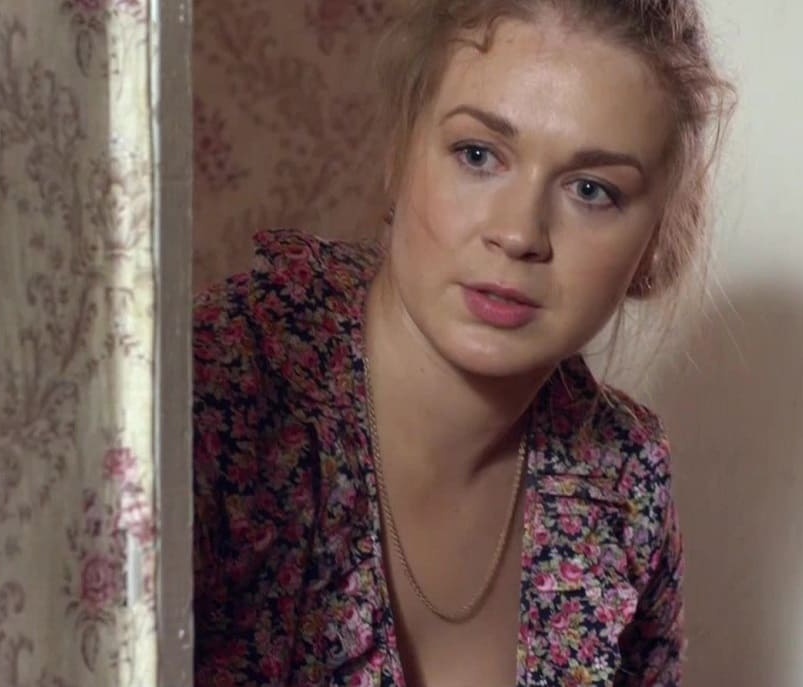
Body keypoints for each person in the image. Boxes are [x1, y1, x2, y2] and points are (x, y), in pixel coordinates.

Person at [192, 0, 732, 685]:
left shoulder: (625, 482)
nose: (519, 233)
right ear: (399, 154)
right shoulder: (225, 388)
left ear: (656, 239)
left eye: (591, 190)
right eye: (478, 155)